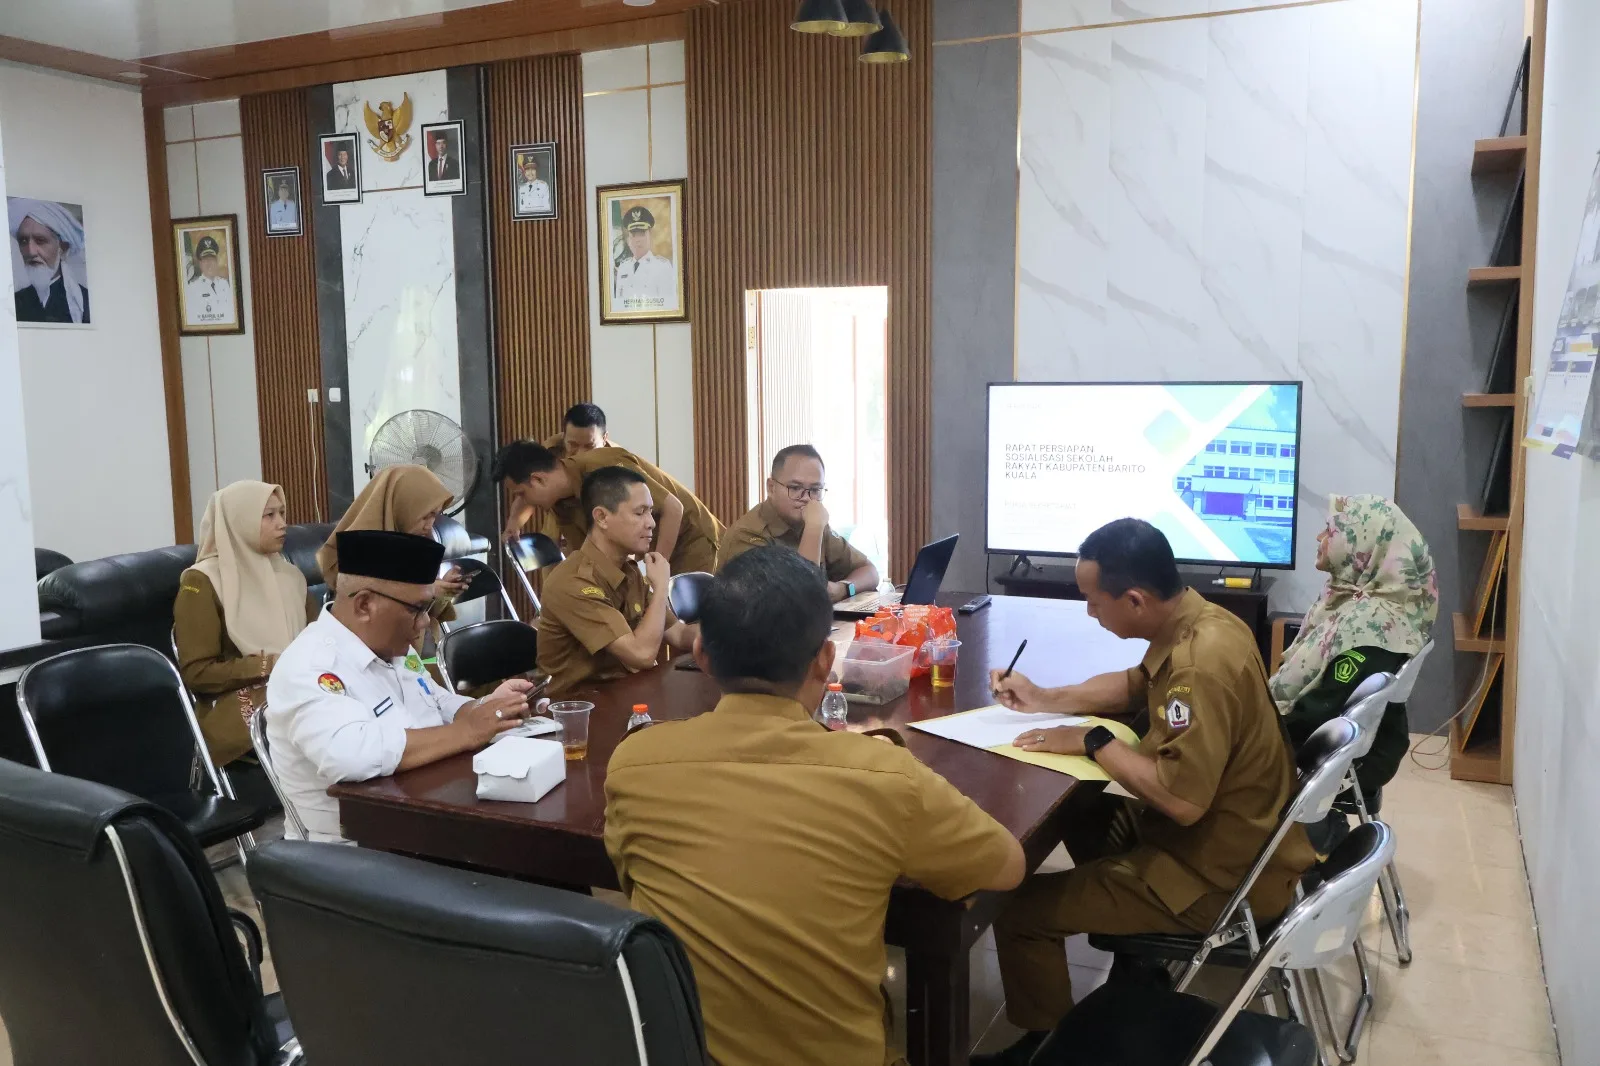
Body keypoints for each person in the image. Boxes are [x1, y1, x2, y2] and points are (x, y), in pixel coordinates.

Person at [605, 545, 1026, 1066]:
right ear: (826, 661)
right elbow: (1006, 866)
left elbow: (629, 876)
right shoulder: (882, 777)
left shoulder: (634, 762)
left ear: (703, 655)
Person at [976, 518, 1316, 1065]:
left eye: (1094, 602)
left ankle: (1047, 1050)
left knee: (1021, 910)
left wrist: (1095, 741)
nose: (1090, 613)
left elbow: (1183, 803)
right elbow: (1137, 684)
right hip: (1240, 840)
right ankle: (1139, 966)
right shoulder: (1206, 621)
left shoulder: (1198, 668)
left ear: (1134, 600)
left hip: (1216, 876)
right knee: (1084, 805)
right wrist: (1044, 697)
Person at [265, 530, 533, 842]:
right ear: (364, 605)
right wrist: (468, 731)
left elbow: (438, 702)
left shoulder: (391, 647)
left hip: (427, 814)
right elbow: (351, 756)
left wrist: (490, 708)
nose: (424, 622)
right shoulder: (310, 666)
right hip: (355, 849)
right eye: (416, 609)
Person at [1271, 495, 1437, 815]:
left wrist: (1257, 724)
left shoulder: (1371, 630)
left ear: (1360, 544)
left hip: (1340, 759)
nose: (1320, 538)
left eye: (1330, 531)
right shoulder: (1361, 604)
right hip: (1351, 748)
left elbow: (1319, 710)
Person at [174, 481, 313, 779]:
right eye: (269, 515)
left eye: (282, 513)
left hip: (301, 688)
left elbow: (318, 640)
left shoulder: (291, 576)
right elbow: (198, 673)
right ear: (240, 521)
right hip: (242, 706)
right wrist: (268, 665)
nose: (282, 524)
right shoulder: (201, 582)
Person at [535, 466, 697, 696]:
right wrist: (661, 587)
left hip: (625, 693)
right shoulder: (573, 581)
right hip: (581, 707)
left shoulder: (629, 571)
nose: (651, 523)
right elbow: (642, 654)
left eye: (651, 512)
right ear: (602, 517)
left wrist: (727, 639)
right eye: (640, 513)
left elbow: (678, 633)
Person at [492, 439, 722, 572]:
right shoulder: (560, 503)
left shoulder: (604, 466)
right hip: (653, 553)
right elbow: (589, 556)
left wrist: (656, 571)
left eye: (522, 494)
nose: (525, 502)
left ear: (538, 479)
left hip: (691, 540)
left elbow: (674, 509)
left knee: (694, 629)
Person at [717, 444, 879, 602]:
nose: (807, 498)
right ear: (771, 488)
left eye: (815, 490)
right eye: (795, 488)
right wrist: (813, 529)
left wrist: (844, 588)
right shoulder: (747, 535)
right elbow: (801, 599)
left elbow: (869, 571)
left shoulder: (812, 522)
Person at [316, 465, 468, 620]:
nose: (429, 525)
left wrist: (444, 592)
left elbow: (427, 618)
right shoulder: (356, 552)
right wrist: (426, 592)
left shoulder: (418, 544)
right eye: (425, 516)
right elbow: (370, 622)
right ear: (402, 508)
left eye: (434, 515)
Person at [9, 198, 89, 324]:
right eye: (23, 241)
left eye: (40, 241)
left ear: (62, 248)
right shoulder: (13, 302)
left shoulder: (84, 301)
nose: (31, 251)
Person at [612, 205, 676, 310]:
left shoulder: (662, 267)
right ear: (629, 238)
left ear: (650, 235)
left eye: (642, 234)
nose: (638, 240)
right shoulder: (623, 268)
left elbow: (668, 307)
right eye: (634, 234)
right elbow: (619, 307)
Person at [184, 235, 233, 326]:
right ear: (200, 263)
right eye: (205, 260)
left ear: (217, 261)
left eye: (212, 259)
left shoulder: (225, 284)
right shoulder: (192, 288)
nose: (209, 264)